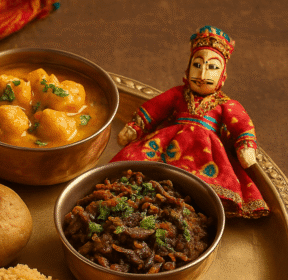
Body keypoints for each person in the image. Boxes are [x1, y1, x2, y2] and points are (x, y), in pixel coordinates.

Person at [112, 26, 269, 218]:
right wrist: (135, 127)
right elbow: (155, 108)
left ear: (223, 75)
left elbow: (241, 124)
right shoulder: (178, 94)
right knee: (138, 169)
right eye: (197, 64)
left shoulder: (226, 104)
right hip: (168, 144)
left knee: (204, 188)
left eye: (212, 67)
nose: (202, 74)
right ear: (188, 67)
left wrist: (246, 146)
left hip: (206, 154)